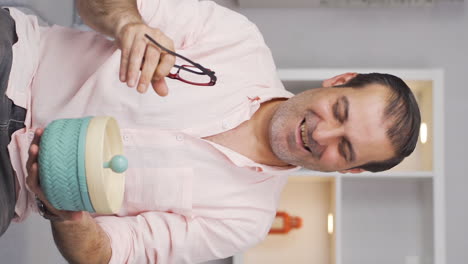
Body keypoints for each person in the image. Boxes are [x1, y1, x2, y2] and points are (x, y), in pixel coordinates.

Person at [0, 0, 421, 263]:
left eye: (345, 149)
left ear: (350, 172)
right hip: (17, 56)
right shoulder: (237, 40)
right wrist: (128, 22)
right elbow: (99, 3)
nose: (322, 134)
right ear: (339, 80)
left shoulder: (245, 222)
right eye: (339, 110)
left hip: (11, 186)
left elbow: (111, 254)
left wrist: (66, 213)